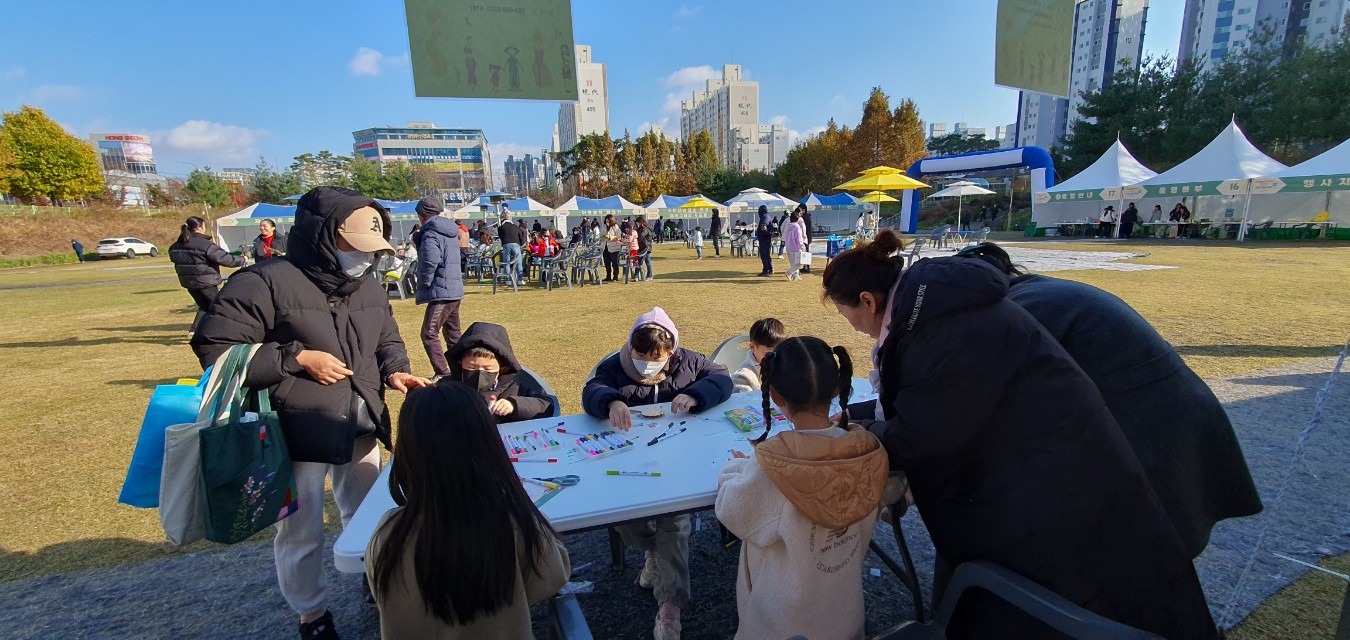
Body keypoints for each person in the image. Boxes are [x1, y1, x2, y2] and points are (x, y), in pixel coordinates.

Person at [820, 230, 1219, 639]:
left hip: (1060, 484)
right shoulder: (934, 311)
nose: (850, 327)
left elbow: (927, 433)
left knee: (1081, 598)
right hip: (1047, 473)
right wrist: (860, 417)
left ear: (868, 301)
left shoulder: (945, 325)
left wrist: (860, 432)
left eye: (844, 314)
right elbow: (932, 398)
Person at [192, 186, 430, 640]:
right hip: (292, 432)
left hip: (358, 421)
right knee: (300, 531)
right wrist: (296, 359)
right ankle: (311, 614)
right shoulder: (260, 281)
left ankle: (373, 578)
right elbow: (216, 350)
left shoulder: (369, 285)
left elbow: (387, 340)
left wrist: (396, 371)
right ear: (324, 236)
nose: (364, 257)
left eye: (372, 249)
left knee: (369, 513)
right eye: (356, 247)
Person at [954, 242, 1263, 557]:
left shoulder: (1022, 309)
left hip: (1146, 439)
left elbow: (974, 408)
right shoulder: (1042, 291)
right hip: (1167, 428)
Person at [367, 380, 570, 639]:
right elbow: (553, 576)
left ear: (408, 453)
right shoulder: (511, 523)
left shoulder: (389, 533)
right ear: (488, 447)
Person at [716, 337, 887, 640]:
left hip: (782, 623)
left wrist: (735, 469)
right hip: (844, 614)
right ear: (837, 388)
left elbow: (732, 511)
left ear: (777, 397)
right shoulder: (868, 449)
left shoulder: (775, 466)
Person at [582, 308, 733, 640]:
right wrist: (610, 402)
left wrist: (695, 394)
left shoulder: (689, 362)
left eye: (657, 358)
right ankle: (656, 554)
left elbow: (722, 378)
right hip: (631, 465)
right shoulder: (614, 366)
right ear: (631, 349)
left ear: (672, 352)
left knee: (674, 522)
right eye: (641, 356)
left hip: (677, 460)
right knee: (627, 519)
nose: (648, 364)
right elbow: (591, 390)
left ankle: (670, 608)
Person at [445, 322, 555, 423]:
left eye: (488, 369)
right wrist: (430, 393)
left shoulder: (512, 389)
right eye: (471, 367)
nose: (479, 374)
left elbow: (546, 405)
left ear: (502, 369)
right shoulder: (449, 385)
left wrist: (514, 405)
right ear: (460, 365)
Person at [413, 196, 464, 379]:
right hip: (453, 289)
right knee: (453, 335)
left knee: (429, 333)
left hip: (441, 291)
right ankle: (462, 371)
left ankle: (443, 372)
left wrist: (424, 282)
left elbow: (429, 261)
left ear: (422, 215)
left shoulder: (431, 233)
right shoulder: (450, 231)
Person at [169, 215, 246, 333]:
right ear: (200, 227)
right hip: (206, 281)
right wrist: (241, 259)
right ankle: (226, 331)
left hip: (189, 281)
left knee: (205, 306)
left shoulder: (176, 246)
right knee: (218, 306)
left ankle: (195, 330)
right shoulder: (204, 244)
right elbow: (226, 259)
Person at [731, 317, 785, 393]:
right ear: (752, 347)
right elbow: (744, 402)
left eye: (779, 353)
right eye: (769, 355)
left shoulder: (785, 367)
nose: (775, 359)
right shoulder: (743, 377)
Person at [497, 211, 528, 285]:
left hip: (506, 245)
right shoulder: (515, 226)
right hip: (516, 245)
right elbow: (521, 237)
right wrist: (520, 244)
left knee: (506, 263)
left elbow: (500, 237)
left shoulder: (501, 227)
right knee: (518, 263)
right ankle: (520, 280)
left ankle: (508, 280)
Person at [782, 209, 807, 281]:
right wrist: (802, 247)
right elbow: (799, 239)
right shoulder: (797, 227)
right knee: (799, 262)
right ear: (798, 219)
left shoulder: (789, 226)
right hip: (795, 248)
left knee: (793, 263)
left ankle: (795, 276)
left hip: (789, 247)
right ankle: (789, 273)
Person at [602, 214, 622, 282]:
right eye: (606, 220)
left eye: (608, 220)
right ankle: (608, 276)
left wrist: (610, 237)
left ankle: (615, 276)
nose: (607, 222)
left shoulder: (616, 227)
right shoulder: (604, 226)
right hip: (605, 247)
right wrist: (604, 237)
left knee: (614, 263)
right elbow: (601, 236)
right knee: (607, 263)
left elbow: (619, 238)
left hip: (614, 247)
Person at [755, 205, 774, 276]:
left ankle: (766, 270)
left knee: (764, 255)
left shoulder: (764, 218)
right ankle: (770, 269)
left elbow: (763, 228)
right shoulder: (768, 216)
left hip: (764, 239)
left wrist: (766, 233)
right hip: (767, 239)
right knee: (767, 255)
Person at [799, 206, 814, 274]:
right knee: (805, 252)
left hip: (806, 238)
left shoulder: (804, 217)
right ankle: (805, 267)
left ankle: (807, 268)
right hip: (807, 237)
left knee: (806, 253)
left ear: (804, 210)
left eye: (800, 210)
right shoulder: (806, 216)